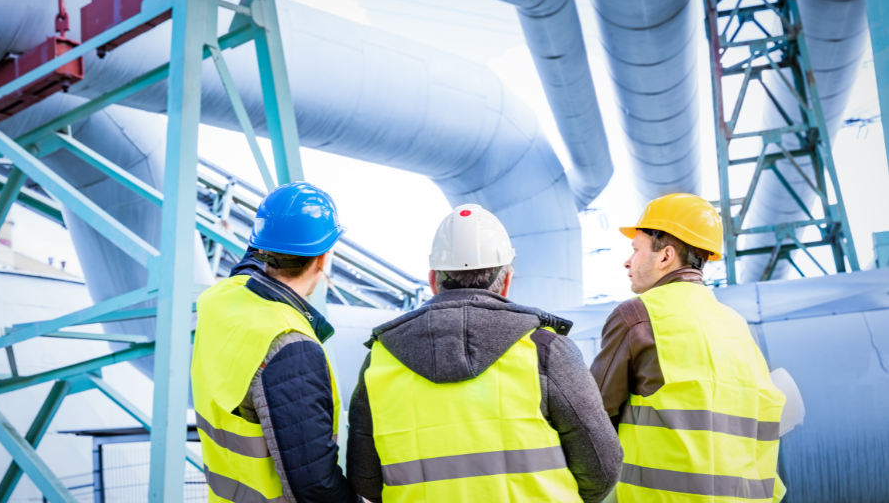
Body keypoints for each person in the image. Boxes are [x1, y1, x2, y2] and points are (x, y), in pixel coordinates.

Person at [347, 204, 622, 503]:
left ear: (432, 280)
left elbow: (366, 480)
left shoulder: (380, 358)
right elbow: (602, 467)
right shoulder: (544, 349)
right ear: (505, 283)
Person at [590, 193, 786, 502]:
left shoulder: (637, 316)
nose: (627, 261)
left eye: (635, 249)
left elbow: (593, 418)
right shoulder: (737, 326)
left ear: (665, 256)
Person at [191, 182, 358, 503]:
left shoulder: (219, 300)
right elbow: (314, 485)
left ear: (261, 249)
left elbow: (247, 269)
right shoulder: (289, 344)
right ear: (323, 259)